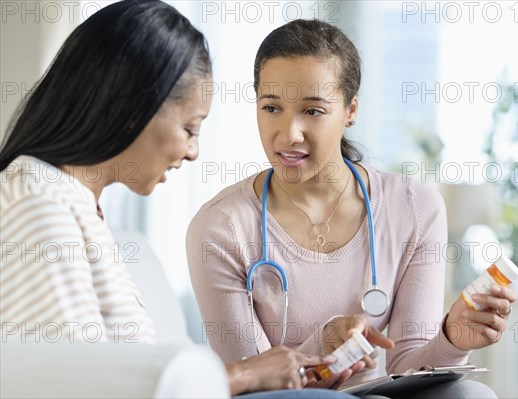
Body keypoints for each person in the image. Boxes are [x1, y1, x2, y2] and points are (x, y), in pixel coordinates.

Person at [0, 3, 356, 398]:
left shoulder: (77, 207)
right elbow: (68, 385)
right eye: (189, 128)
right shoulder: (36, 199)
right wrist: (242, 376)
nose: (192, 152)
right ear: (132, 109)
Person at [187, 19, 516, 398]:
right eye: (272, 107)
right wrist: (324, 344)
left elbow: (408, 366)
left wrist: (454, 338)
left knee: (472, 395)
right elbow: (255, 386)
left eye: (312, 111)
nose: (289, 133)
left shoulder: (414, 208)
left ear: (350, 110)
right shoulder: (219, 228)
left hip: (375, 395)